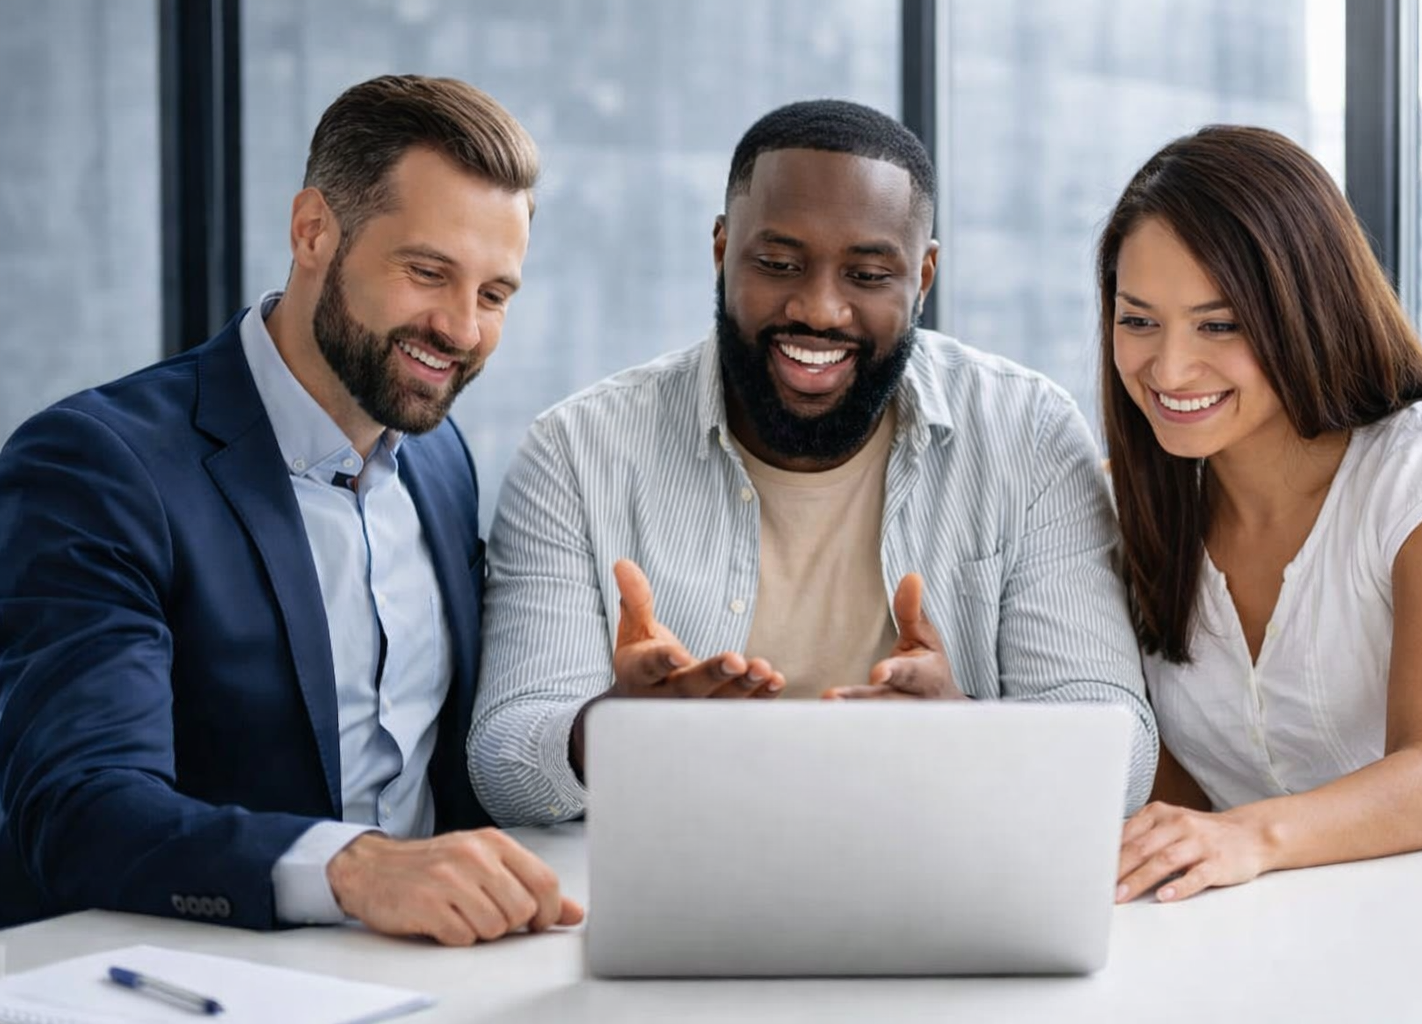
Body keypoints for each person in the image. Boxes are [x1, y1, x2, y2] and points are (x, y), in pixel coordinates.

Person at [0, 74, 581, 945]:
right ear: (313, 231)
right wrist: (353, 869)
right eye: (428, 272)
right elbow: (81, 808)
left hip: (441, 963)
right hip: (204, 971)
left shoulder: (439, 457)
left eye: (494, 295)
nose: (462, 330)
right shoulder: (97, 467)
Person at [469, 99, 1158, 826]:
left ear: (923, 277)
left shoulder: (1029, 435)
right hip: (683, 871)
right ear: (721, 250)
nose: (821, 310)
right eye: (778, 264)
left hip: (940, 866)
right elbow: (502, 762)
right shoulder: (576, 453)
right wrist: (609, 732)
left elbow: (1121, 757)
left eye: (868, 274)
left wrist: (964, 733)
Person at [1101, 125, 1422, 904]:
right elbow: (1178, 808)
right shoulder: (1132, 506)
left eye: (1219, 324)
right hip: (1277, 933)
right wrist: (966, 714)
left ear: (1303, 310)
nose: (1168, 367)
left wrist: (1247, 837)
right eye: (1138, 320)